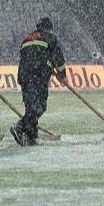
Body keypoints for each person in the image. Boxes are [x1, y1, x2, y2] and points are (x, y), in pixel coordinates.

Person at [11, 16, 66, 146]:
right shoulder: (50, 37)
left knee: (31, 105)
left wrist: (46, 64)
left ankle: (30, 135)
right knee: (39, 106)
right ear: (50, 28)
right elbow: (58, 56)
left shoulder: (27, 38)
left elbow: (31, 57)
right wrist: (62, 74)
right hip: (39, 76)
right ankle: (20, 126)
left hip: (25, 76)